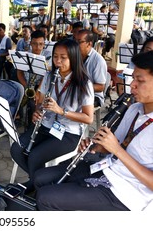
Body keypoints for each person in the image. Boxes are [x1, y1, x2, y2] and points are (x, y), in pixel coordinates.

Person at [34, 50, 153, 211]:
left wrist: (116, 150)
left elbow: (119, 150)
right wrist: (97, 145)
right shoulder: (134, 109)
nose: (132, 85)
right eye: (133, 78)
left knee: (45, 198)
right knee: (40, 178)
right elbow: (115, 145)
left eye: (140, 80)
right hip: (106, 168)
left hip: (126, 194)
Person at [10, 39, 94, 193]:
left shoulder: (83, 83)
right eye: (55, 56)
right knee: (16, 149)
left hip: (68, 133)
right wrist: (37, 111)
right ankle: (39, 183)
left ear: (73, 58)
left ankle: (35, 186)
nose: (58, 61)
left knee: (35, 156)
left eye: (63, 58)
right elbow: (40, 102)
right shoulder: (49, 76)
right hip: (46, 125)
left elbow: (88, 118)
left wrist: (61, 111)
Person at [16, 30, 52, 128]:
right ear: (30, 43)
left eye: (41, 44)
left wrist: (38, 90)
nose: (38, 47)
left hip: (41, 86)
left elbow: (46, 76)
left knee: (33, 104)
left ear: (44, 44)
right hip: (27, 84)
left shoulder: (48, 56)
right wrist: (25, 86)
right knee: (16, 96)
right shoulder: (25, 55)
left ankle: (32, 126)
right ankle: (18, 117)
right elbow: (19, 72)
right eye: (35, 44)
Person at [76, 30, 107, 107]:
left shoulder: (98, 61)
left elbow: (101, 87)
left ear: (89, 44)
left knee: (72, 102)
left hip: (94, 95)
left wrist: (80, 88)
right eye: (75, 41)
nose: (75, 45)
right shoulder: (76, 55)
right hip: (77, 91)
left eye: (79, 42)